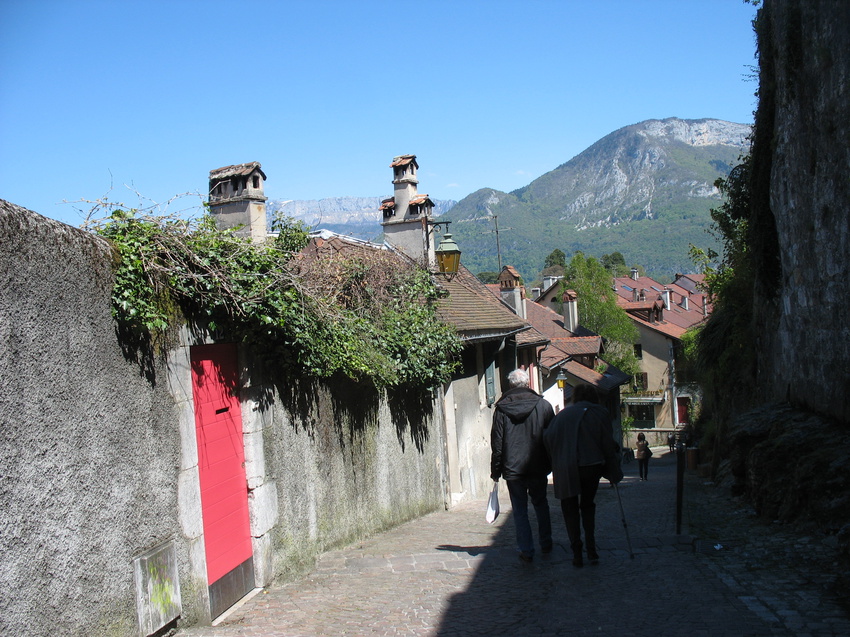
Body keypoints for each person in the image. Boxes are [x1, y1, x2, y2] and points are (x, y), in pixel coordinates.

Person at [543, 383, 621, 567]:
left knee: (569, 507)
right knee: (587, 505)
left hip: (566, 467)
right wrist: (613, 469)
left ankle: (576, 550)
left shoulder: (562, 415)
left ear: (576, 397)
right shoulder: (600, 413)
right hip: (590, 466)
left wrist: (557, 458)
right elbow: (607, 443)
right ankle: (591, 548)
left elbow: (547, 438)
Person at [490, 368, 555, 562]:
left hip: (513, 469)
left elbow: (497, 442)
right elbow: (552, 437)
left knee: (519, 511)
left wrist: (496, 470)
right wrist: (552, 462)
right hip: (538, 465)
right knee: (541, 505)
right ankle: (546, 543)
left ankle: (526, 549)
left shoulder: (501, 409)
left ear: (510, 385)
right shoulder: (543, 406)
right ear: (528, 384)